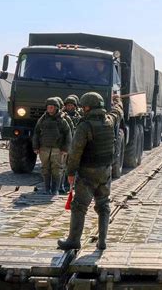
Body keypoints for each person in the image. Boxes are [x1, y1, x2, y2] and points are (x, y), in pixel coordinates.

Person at [58, 92, 123, 251]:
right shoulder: (109, 120)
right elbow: (118, 112)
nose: (82, 109)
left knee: (79, 207)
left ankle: (73, 240)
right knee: (103, 205)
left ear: (88, 107)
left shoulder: (85, 126)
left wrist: (70, 172)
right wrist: (117, 100)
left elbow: (75, 152)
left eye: (84, 106)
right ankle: (102, 241)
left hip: (87, 172)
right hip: (105, 171)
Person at [32, 97, 72, 194]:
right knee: (45, 169)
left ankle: (55, 190)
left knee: (57, 170)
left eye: (51, 107)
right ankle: (47, 189)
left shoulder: (62, 120)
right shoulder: (42, 119)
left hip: (57, 149)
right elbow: (36, 133)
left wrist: (65, 149)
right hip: (44, 148)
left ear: (56, 108)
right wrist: (36, 147)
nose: (49, 109)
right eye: (48, 107)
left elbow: (68, 134)